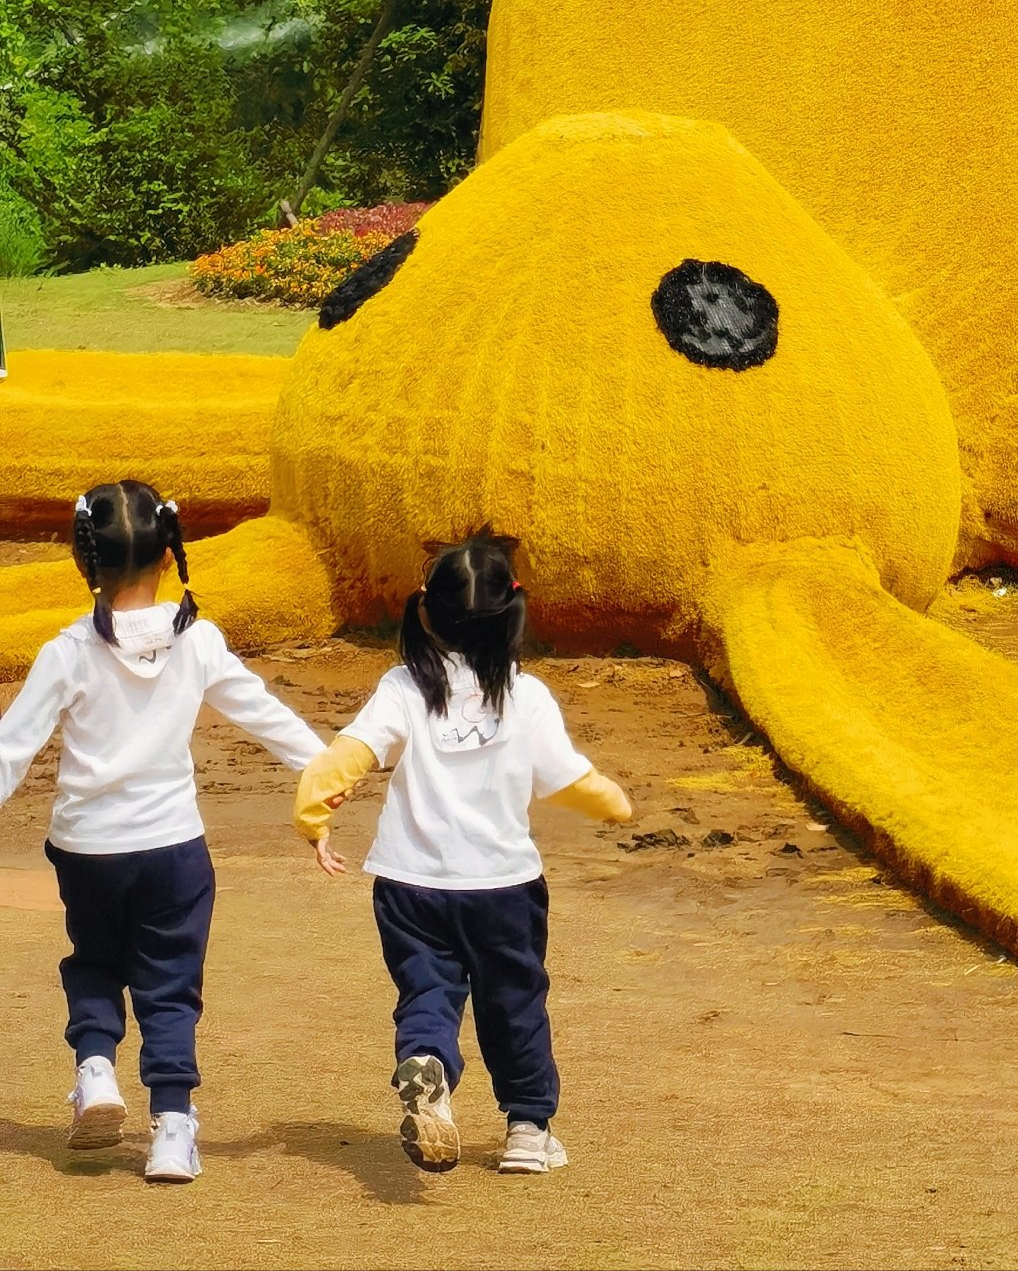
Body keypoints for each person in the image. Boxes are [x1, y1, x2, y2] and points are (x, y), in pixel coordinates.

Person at [0, 480, 328, 1183]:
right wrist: (325, 774)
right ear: (169, 551)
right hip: (173, 849)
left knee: (93, 960)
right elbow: (264, 714)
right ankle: (172, 1129)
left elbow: (10, 748)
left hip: (87, 848)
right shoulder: (200, 641)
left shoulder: (66, 650)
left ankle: (96, 1071)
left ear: (86, 561)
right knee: (169, 985)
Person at [295, 532, 631, 1176]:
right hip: (503, 885)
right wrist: (613, 803)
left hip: (408, 882)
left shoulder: (402, 685)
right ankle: (529, 1128)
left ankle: (428, 1063)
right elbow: (568, 779)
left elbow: (348, 757)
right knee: (514, 1002)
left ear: (426, 610)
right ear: (514, 609)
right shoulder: (525, 695)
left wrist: (312, 814)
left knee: (427, 989)